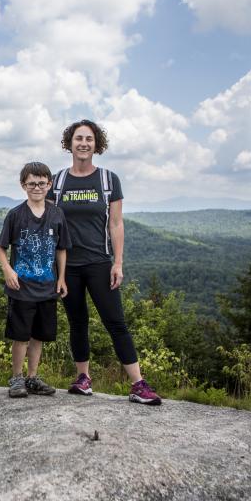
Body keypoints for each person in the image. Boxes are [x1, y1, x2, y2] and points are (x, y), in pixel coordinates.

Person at [47, 119, 162, 405]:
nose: (83, 143)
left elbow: (116, 224)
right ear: (69, 143)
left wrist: (118, 263)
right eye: (78, 138)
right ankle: (83, 379)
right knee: (77, 322)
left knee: (115, 322)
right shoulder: (58, 181)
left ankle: (138, 384)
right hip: (67, 266)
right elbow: (48, 223)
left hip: (99, 262)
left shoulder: (109, 180)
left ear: (96, 144)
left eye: (89, 139)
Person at [0, 162, 71, 398]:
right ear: (23, 185)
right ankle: (16, 378)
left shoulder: (57, 214)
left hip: (47, 287)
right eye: (31, 183)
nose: (37, 187)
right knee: (20, 336)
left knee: (39, 335)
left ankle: (32, 378)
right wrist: (8, 270)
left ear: (49, 184)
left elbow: (61, 249)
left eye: (41, 183)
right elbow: (0, 247)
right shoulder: (16, 215)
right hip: (21, 288)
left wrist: (62, 278)